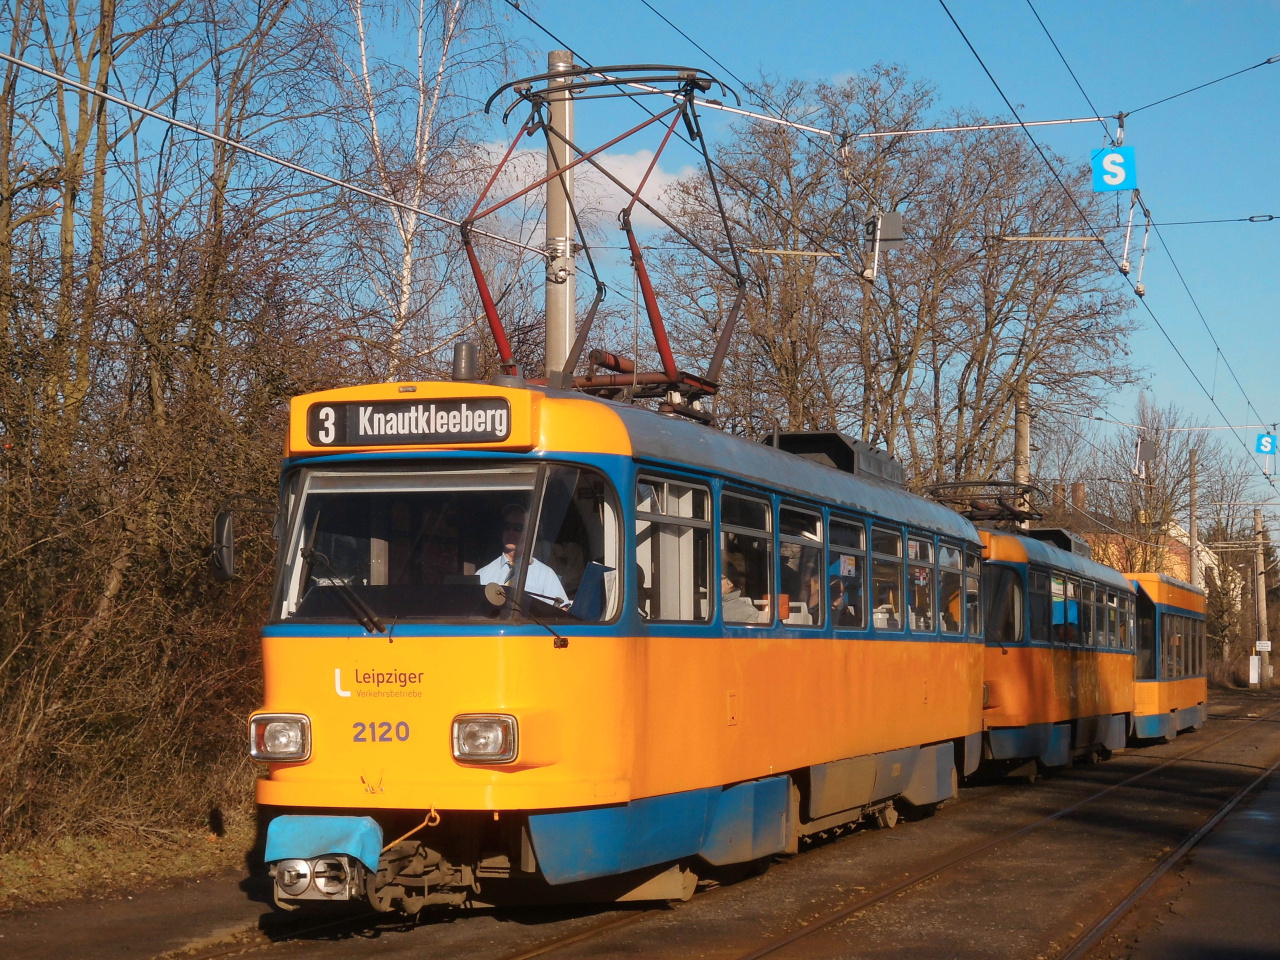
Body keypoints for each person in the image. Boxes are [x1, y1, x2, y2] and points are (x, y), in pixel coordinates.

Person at [476, 504, 569, 606]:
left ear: (528, 532)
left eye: (518, 528)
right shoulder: (483, 574)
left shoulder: (545, 574)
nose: (511, 532)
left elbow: (561, 609)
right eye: (507, 526)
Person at [721, 557, 760, 623]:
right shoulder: (701, 608)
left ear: (730, 582)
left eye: (720, 578)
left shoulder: (747, 612)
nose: (714, 581)